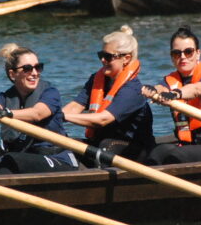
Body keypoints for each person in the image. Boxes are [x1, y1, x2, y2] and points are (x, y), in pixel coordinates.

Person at [0, 44, 79, 174]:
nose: (34, 73)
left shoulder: (50, 92)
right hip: (23, 157)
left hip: (57, 159)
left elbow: (37, 114)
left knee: (11, 160)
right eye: (27, 69)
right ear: (13, 74)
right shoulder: (5, 97)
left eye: (38, 67)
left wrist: (6, 113)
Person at [144, 27, 201, 164]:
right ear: (172, 57)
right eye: (177, 53)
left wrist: (176, 94)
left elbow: (196, 89)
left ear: (198, 54)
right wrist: (153, 90)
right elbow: (161, 88)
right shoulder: (170, 80)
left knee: (177, 155)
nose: (182, 57)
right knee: (156, 153)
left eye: (188, 52)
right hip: (189, 146)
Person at [63, 25, 154, 163]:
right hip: (102, 143)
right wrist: (51, 116)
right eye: (101, 55)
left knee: (105, 146)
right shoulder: (96, 80)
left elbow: (102, 120)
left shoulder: (133, 89)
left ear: (126, 58)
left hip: (135, 149)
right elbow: (75, 106)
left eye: (108, 57)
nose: (102, 60)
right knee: (64, 143)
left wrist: (63, 116)